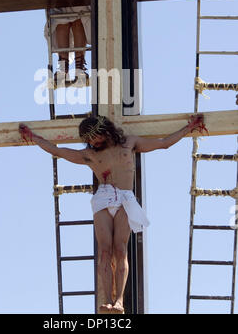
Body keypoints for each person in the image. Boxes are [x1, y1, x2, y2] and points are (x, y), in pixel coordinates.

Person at [19, 113, 206, 314]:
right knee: (105, 251)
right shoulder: (90, 155)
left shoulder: (129, 143)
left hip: (125, 198)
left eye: (95, 137)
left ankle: (119, 302)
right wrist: (33, 137)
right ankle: (107, 301)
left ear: (105, 130)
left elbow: (163, 143)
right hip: (103, 198)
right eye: (89, 140)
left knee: (120, 249)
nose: (93, 142)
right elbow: (57, 151)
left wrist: (189, 128)